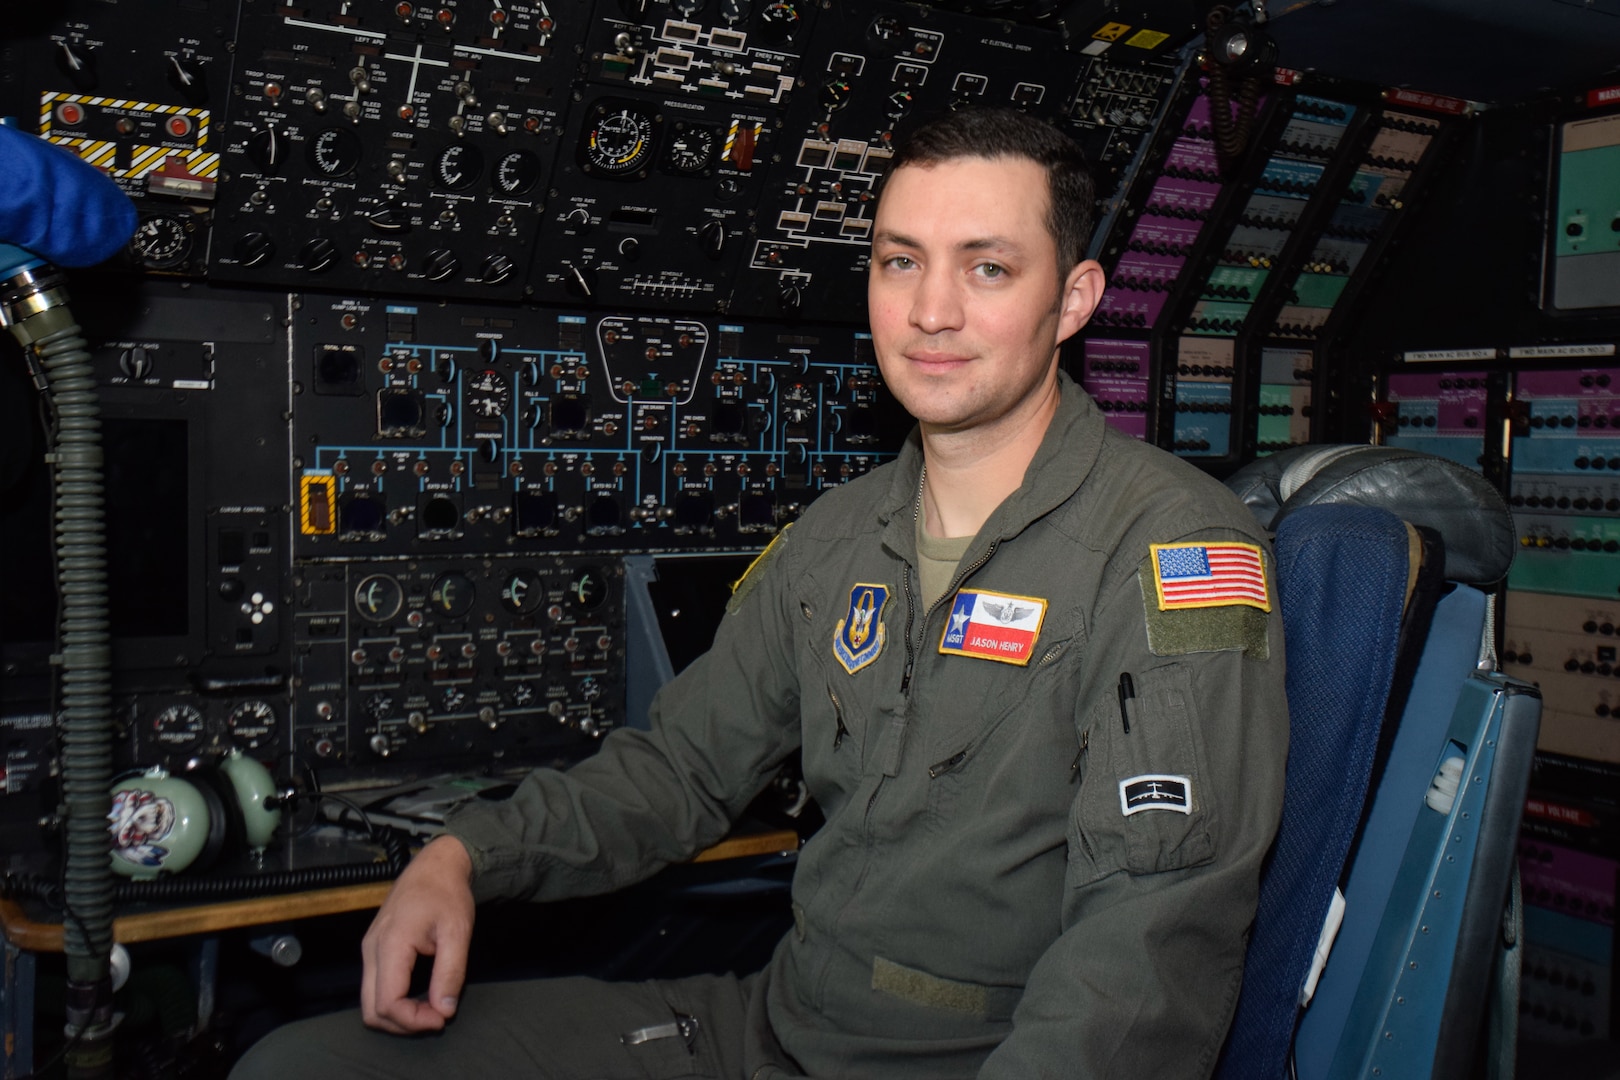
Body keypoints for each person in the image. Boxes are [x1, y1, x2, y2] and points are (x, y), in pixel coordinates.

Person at [233, 106, 1289, 1079]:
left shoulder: (1169, 548)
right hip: (769, 1034)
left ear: (1073, 301)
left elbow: (1149, 945)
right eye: (899, 262)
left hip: (970, 1059)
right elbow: (681, 770)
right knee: (297, 1068)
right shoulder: (834, 541)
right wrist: (465, 856)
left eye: (988, 269)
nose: (929, 310)